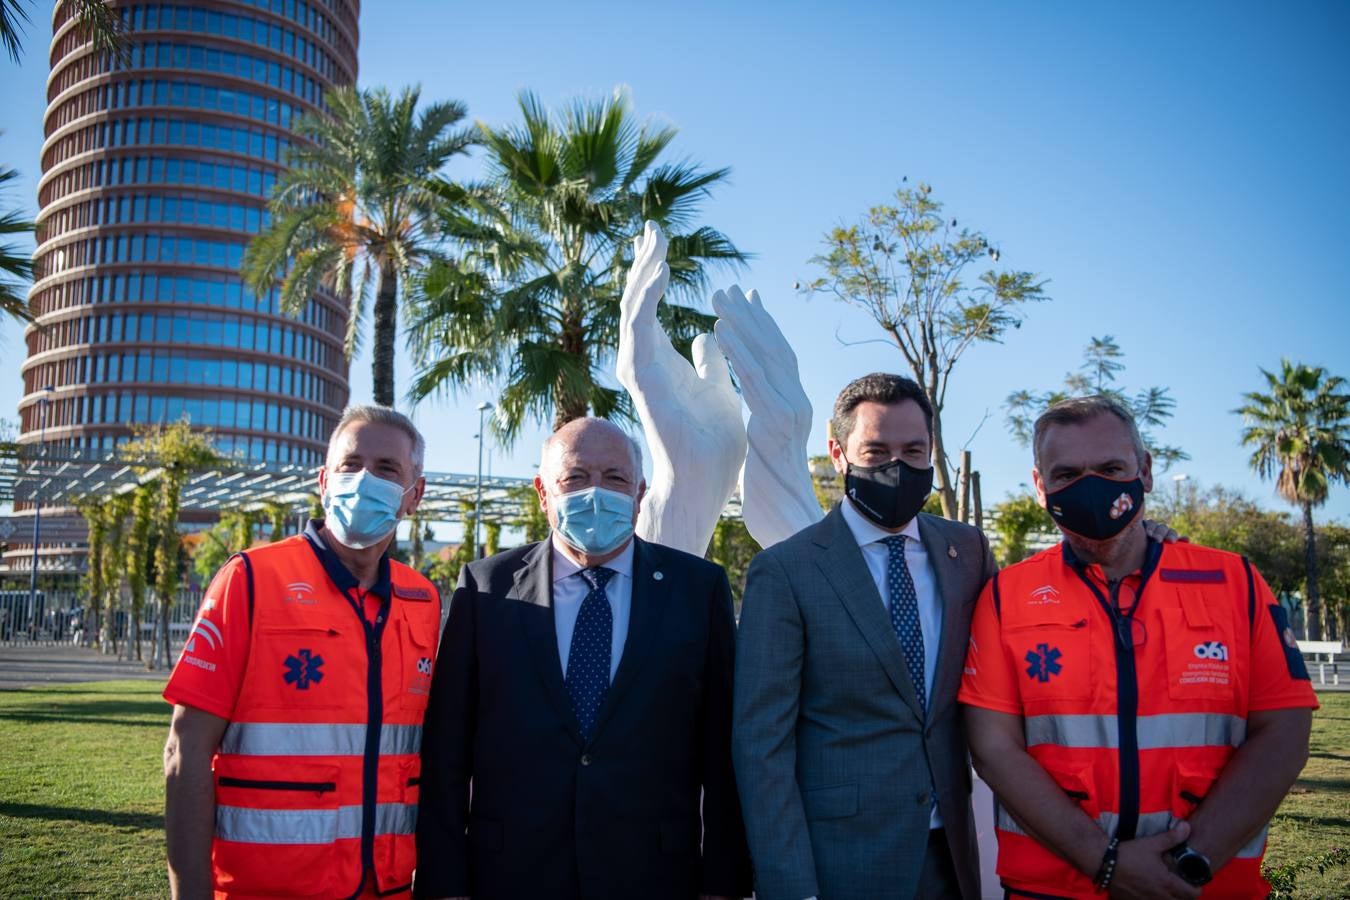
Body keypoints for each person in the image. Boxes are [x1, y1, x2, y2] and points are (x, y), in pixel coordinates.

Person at [960, 395, 1317, 899]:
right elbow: (994, 748)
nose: (1091, 489)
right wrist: (1104, 863)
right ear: (1040, 487)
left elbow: (1284, 731)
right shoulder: (1004, 597)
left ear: (1144, 471)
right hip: (1054, 889)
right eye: (1066, 476)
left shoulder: (1234, 582)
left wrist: (1187, 866)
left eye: (1110, 468)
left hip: (1205, 888)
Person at [414, 416, 751, 900]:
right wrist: (445, 885)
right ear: (543, 492)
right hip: (510, 875)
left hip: (654, 876)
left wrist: (723, 884)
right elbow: (448, 750)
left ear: (639, 493)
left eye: (614, 478)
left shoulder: (698, 590)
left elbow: (723, 752)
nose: (596, 492)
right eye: (574, 477)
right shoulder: (485, 588)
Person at [732, 373, 996, 900]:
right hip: (839, 862)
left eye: (914, 450)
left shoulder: (967, 552)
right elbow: (762, 744)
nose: (897, 466)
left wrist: (1145, 546)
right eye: (875, 451)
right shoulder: (786, 571)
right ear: (838, 453)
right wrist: (790, 886)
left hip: (951, 858)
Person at [162, 405, 441, 899]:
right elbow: (185, 751)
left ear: (413, 496)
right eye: (350, 465)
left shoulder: (422, 600)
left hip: (389, 889)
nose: (363, 479)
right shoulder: (249, 580)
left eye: (386, 469)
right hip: (263, 889)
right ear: (323, 481)